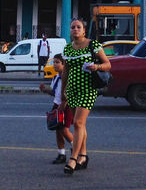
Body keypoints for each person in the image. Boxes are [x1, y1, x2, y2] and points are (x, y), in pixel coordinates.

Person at [60, 18, 111, 175]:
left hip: (88, 89)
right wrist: (63, 93)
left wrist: (97, 66)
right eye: (73, 27)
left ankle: (73, 159)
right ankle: (83, 155)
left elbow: (108, 64)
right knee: (79, 126)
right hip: (72, 89)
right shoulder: (68, 49)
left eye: (78, 27)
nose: (75, 29)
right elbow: (65, 72)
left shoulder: (92, 45)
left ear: (83, 30)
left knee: (78, 122)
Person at [40, 54, 73, 164]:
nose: (55, 65)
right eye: (54, 62)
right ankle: (61, 153)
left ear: (64, 65)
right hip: (57, 105)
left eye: (57, 62)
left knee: (64, 129)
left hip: (66, 106)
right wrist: (45, 90)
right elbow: (55, 93)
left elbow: (69, 94)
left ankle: (76, 148)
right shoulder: (56, 77)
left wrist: (64, 104)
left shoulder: (68, 78)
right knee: (57, 130)